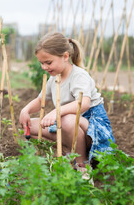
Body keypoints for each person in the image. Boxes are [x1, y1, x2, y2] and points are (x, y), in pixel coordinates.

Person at [19, 32, 115, 180]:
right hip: (67, 124)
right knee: (30, 126)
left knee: (68, 120)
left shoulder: (78, 75)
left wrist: (57, 112)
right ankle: (68, 150)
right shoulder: (54, 78)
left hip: (93, 128)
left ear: (65, 56)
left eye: (48, 62)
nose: (44, 67)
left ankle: (82, 164)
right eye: (41, 63)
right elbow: (40, 100)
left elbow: (84, 103)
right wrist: (26, 110)